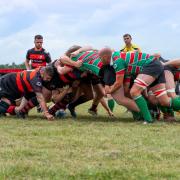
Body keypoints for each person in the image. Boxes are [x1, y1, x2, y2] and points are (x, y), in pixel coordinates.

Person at [99, 47, 180, 123]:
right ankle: (150, 116)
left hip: (151, 65)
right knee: (164, 101)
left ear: (105, 57)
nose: (100, 60)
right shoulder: (118, 57)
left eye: (100, 58)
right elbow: (127, 78)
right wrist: (126, 91)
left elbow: (118, 83)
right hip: (155, 65)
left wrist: (109, 91)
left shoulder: (117, 61)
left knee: (134, 92)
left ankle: (148, 120)